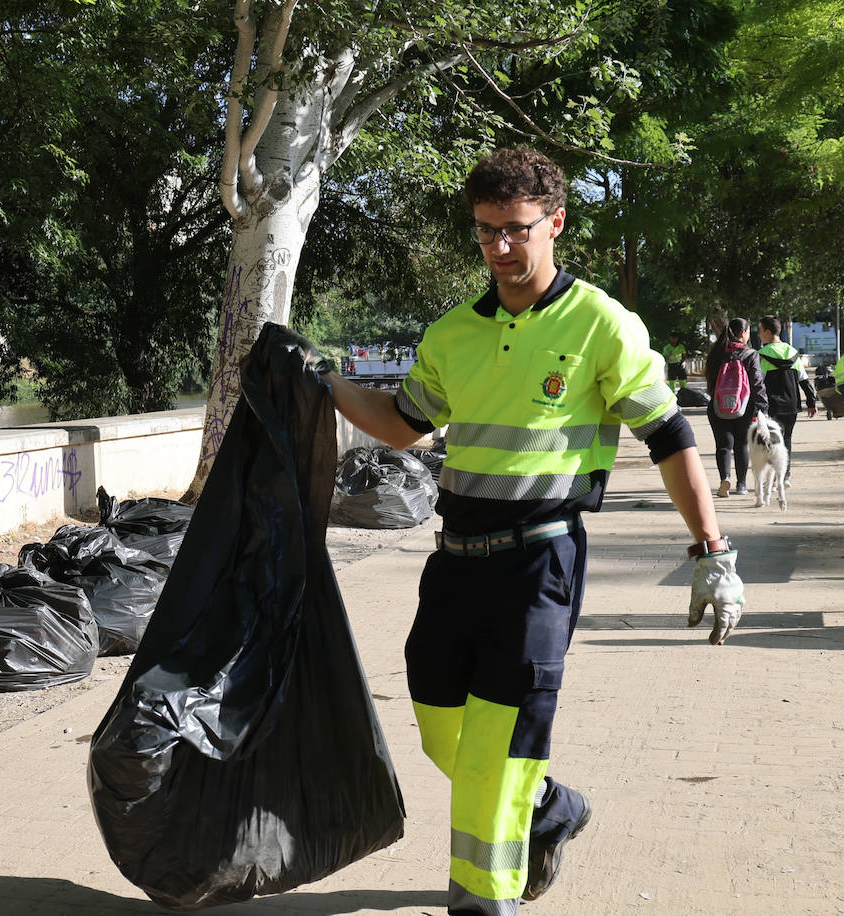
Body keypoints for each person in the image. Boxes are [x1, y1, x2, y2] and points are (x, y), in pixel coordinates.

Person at [319, 146, 745, 915]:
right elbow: (404, 425)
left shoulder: (601, 326)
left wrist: (712, 549)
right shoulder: (453, 333)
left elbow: (669, 437)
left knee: (495, 752)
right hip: (451, 565)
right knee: (442, 736)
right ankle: (550, 810)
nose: (500, 248)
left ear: (556, 222)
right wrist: (324, 383)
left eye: (516, 229)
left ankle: (483, 899)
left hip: (539, 563)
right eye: (485, 232)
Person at [702, 318, 768, 497]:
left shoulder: (716, 352)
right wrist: (762, 407)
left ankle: (725, 478)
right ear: (742, 333)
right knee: (741, 445)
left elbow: (710, 380)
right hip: (744, 406)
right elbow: (757, 382)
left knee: (723, 445)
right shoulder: (750, 354)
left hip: (718, 406)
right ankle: (741, 485)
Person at [757, 316, 816, 485]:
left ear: (768, 332)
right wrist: (811, 403)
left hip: (771, 406)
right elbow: (804, 380)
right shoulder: (792, 353)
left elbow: (758, 382)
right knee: (787, 440)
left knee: (770, 442)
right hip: (791, 405)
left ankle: (774, 478)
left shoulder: (762, 356)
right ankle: (785, 475)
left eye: (760, 330)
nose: (759, 334)